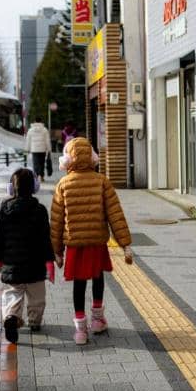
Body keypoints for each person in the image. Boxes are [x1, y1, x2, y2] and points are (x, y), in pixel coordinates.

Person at [50, 138, 134, 345]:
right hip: (97, 242)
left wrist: (57, 251)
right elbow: (115, 215)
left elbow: (57, 221)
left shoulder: (63, 184)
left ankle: (80, 329)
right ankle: (97, 320)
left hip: (75, 244)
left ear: (68, 159)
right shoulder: (102, 181)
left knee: (79, 284)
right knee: (98, 277)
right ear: (91, 156)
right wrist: (125, 244)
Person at [0, 168, 55, 343]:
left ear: (11, 189)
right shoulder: (40, 209)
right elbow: (45, 238)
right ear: (34, 188)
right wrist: (49, 260)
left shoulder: (5, 208)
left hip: (11, 262)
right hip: (35, 264)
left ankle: (11, 316)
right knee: (37, 296)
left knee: (13, 292)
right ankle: (35, 321)